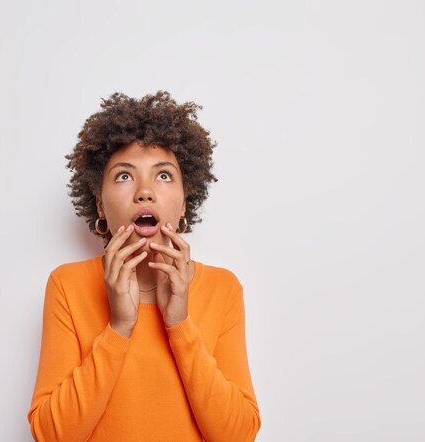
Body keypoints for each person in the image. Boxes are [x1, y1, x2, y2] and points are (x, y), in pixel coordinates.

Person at [27, 91, 261, 441]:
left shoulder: (223, 288)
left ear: (184, 204)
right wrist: (119, 326)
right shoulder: (67, 285)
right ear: (100, 207)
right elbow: (52, 435)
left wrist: (179, 324)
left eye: (163, 176)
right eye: (124, 176)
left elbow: (237, 435)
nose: (145, 192)